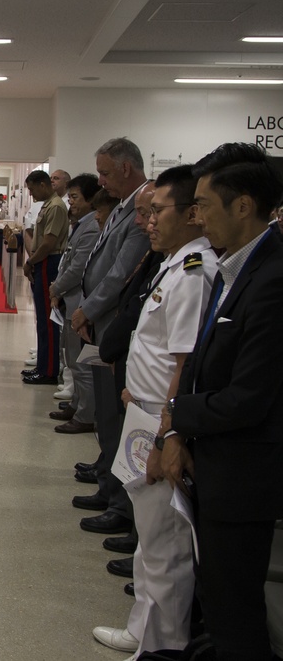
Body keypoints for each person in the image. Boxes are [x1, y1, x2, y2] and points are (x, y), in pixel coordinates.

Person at [157, 143, 283, 660]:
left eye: (204, 204)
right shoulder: (236, 267)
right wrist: (178, 432)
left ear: (244, 206)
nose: (196, 216)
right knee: (220, 596)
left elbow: (249, 397)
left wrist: (174, 417)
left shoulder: (272, 281)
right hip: (213, 462)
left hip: (244, 473)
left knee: (236, 608)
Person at [92, 164, 215, 657]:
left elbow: (184, 363)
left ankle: (161, 644)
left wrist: (168, 431)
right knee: (150, 536)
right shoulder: (173, 263)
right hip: (144, 413)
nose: (149, 221)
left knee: (164, 543)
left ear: (191, 215)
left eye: (159, 211)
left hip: (161, 424)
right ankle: (144, 628)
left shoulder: (192, 273)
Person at [72, 137, 152, 536]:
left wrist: (89, 308)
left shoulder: (141, 208)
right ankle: (108, 480)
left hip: (112, 322)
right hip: (101, 321)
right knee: (106, 413)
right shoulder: (123, 206)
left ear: (125, 168)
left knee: (117, 418)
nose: (100, 181)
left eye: (104, 172)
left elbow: (120, 273)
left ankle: (119, 502)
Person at [48, 173, 101, 433]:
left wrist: (56, 287)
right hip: (69, 301)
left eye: (76, 197)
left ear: (92, 200)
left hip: (78, 302)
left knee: (80, 364)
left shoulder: (92, 226)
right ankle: (77, 404)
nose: (71, 202)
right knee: (71, 359)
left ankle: (85, 415)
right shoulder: (82, 223)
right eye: (70, 197)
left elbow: (78, 267)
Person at [21, 170, 68, 384]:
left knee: (48, 320)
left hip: (49, 261)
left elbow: (48, 243)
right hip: (44, 261)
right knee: (42, 319)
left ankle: (48, 371)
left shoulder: (56, 206)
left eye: (32, 189)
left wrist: (31, 261)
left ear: (42, 184)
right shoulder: (48, 205)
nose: (31, 194)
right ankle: (42, 365)